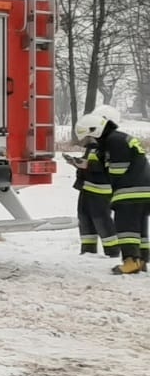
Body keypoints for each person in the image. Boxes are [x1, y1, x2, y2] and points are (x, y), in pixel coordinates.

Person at [76, 107, 149, 275]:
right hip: (143, 189)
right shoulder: (120, 138)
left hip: (130, 191)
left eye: (89, 139)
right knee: (140, 228)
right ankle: (142, 260)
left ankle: (131, 261)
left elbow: (117, 170)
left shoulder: (113, 141)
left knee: (126, 227)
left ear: (95, 131)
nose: (89, 143)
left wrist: (100, 165)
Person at [66, 137, 115, 255]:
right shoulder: (91, 148)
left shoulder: (109, 147)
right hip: (86, 189)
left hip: (101, 192)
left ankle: (112, 252)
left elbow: (109, 168)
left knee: (102, 221)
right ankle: (88, 251)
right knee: (84, 219)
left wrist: (87, 166)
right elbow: (87, 163)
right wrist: (76, 163)